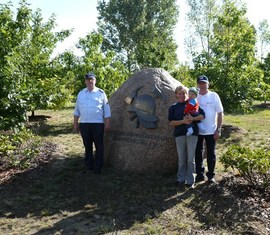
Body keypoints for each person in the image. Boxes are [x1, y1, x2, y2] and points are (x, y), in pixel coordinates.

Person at [73, 72, 111, 174]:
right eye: (88, 80)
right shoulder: (81, 94)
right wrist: (75, 123)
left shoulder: (101, 93)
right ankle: (89, 164)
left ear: (95, 81)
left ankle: (98, 166)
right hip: (84, 124)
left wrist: (107, 123)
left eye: (92, 80)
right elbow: (77, 110)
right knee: (87, 145)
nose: (90, 82)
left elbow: (106, 110)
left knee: (99, 146)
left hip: (98, 124)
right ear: (85, 81)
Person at [168, 85, 205, 188]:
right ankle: (180, 179)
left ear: (186, 94)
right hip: (179, 134)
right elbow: (171, 123)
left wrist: (192, 119)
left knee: (190, 159)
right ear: (176, 95)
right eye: (179, 93)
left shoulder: (192, 102)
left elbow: (202, 116)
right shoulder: (173, 107)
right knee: (181, 159)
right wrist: (183, 121)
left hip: (192, 135)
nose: (181, 95)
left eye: (183, 93)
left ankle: (190, 181)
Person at [195, 75, 224, 184]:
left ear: (208, 84)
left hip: (211, 130)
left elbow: (220, 113)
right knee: (198, 153)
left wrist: (218, 129)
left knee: (211, 154)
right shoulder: (194, 95)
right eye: (200, 83)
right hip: (197, 131)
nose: (202, 85)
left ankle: (211, 176)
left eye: (204, 83)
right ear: (197, 84)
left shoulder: (214, 96)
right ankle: (199, 174)